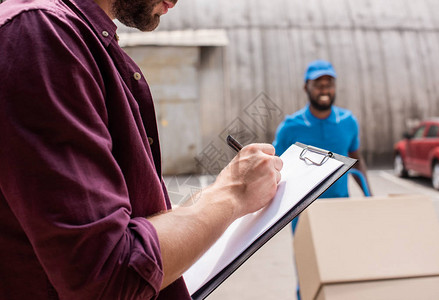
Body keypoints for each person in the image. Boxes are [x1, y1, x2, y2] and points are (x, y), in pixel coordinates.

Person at [0, 0, 283, 299]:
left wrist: (210, 200)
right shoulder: (40, 35)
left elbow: (119, 231)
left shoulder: (75, 36)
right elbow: (109, 273)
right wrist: (233, 193)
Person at [273, 60, 371, 299]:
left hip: (341, 211)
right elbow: (276, 169)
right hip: (305, 214)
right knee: (308, 276)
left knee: (341, 273)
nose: (324, 90)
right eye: (318, 84)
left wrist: (370, 197)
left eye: (329, 84)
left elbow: (356, 159)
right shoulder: (291, 127)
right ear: (306, 87)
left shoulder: (348, 122)